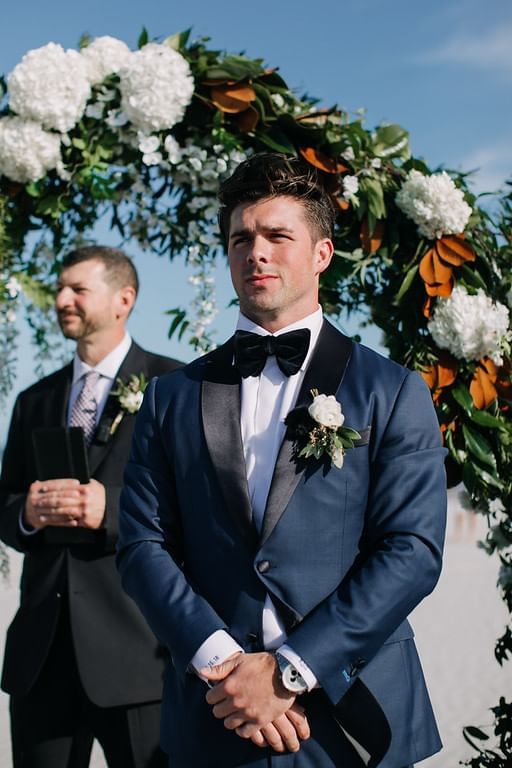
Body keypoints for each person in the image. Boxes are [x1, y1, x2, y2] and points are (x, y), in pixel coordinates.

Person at [117, 154, 447, 768]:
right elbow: (142, 544)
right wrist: (221, 663)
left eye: (277, 236)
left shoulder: (393, 389)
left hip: (350, 716)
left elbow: (412, 550)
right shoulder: (170, 396)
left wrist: (290, 671)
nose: (256, 252)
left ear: (321, 254)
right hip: (216, 712)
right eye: (241, 238)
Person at [0, 246, 182, 768]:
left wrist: (114, 509)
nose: (61, 300)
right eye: (60, 289)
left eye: (78, 289)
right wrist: (26, 514)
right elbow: (5, 502)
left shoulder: (175, 387)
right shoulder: (33, 399)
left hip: (139, 655)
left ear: (124, 299)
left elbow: (201, 508)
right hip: (41, 659)